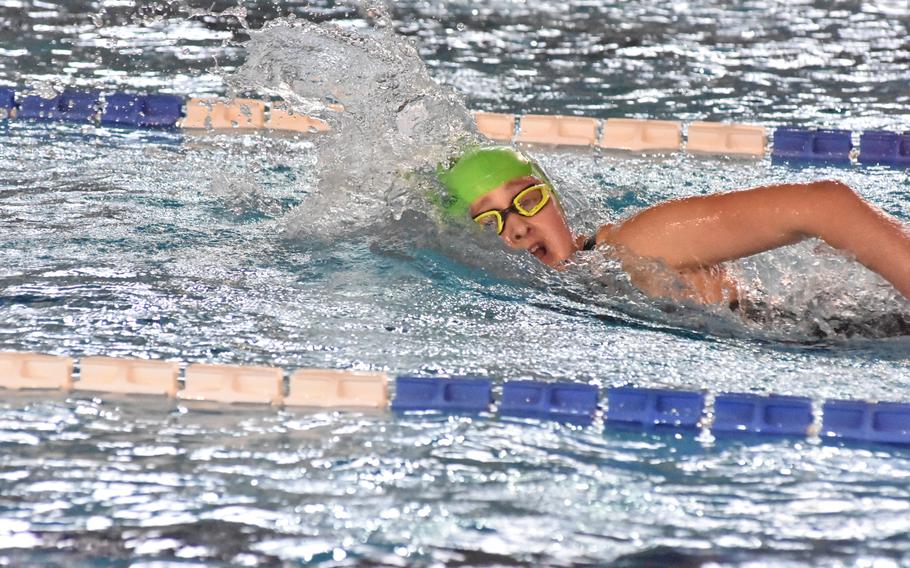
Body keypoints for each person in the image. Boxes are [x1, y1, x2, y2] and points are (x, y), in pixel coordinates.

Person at [436, 146, 910, 308]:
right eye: (493, 220)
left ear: (554, 197)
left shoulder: (635, 243)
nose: (517, 229)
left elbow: (826, 203)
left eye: (528, 201)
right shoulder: (582, 283)